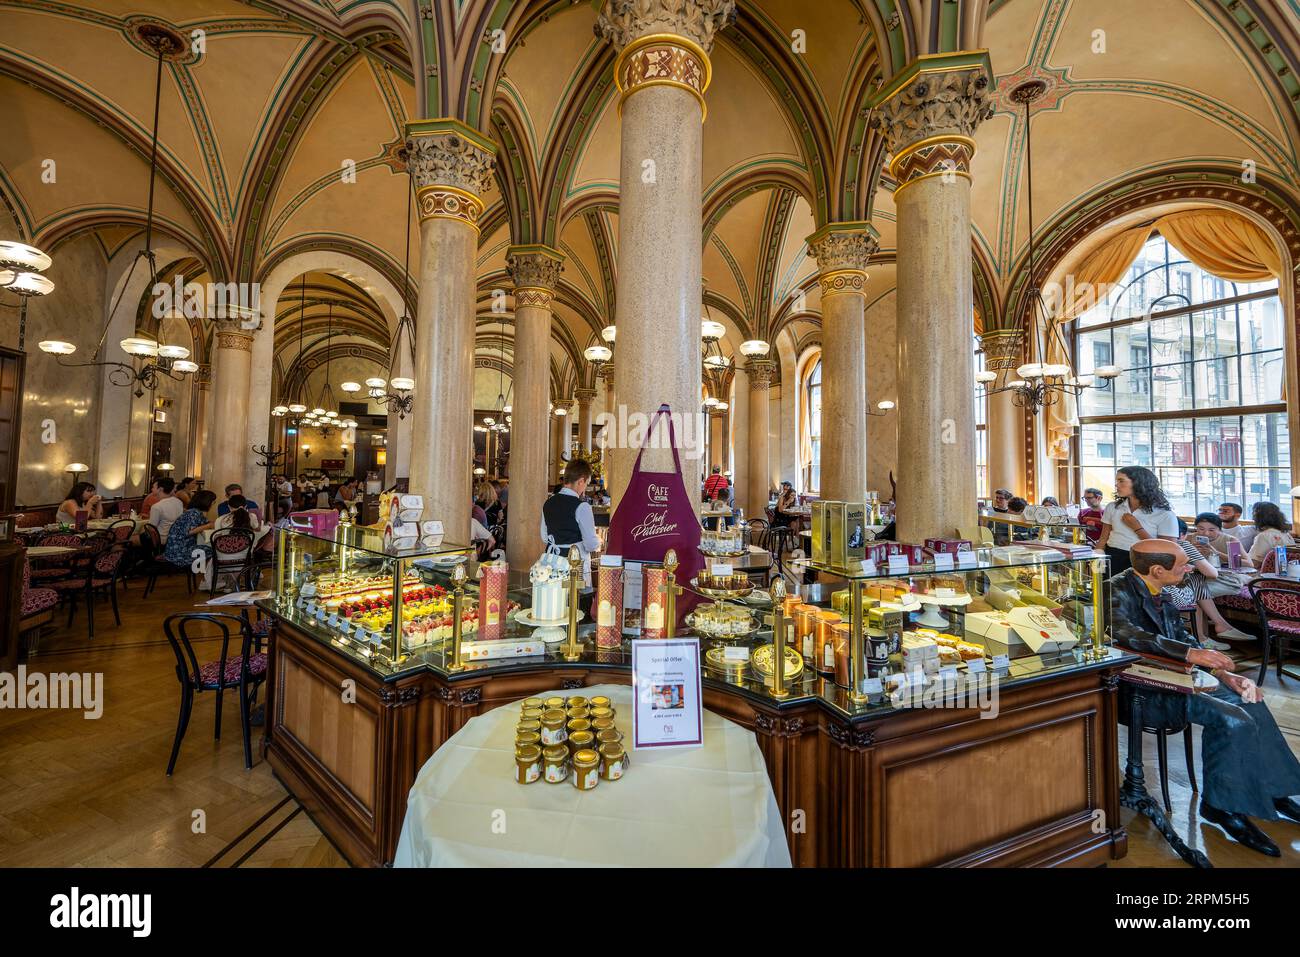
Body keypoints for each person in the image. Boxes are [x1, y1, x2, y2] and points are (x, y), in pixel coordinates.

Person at [1107, 538, 1300, 857]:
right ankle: (1221, 806)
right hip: (1143, 688)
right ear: (1157, 570)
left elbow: (1180, 635)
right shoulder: (1115, 590)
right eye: (1184, 564)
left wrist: (1226, 674)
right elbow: (1128, 634)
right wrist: (1193, 653)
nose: (1190, 568)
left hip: (1177, 677)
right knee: (1232, 720)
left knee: (1250, 698)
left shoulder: (1160, 590)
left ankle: (1273, 788)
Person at [1168, 515, 1254, 649]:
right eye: (1201, 529)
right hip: (1198, 578)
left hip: (1226, 580)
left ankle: (1203, 637)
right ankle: (1209, 634)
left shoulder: (1229, 540)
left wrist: (1215, 553)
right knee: (1194, 588)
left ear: (1220, 529)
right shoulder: (1189, 539)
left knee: (1194, 592)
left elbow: (1248, 564)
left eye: (1211, 530)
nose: (1205, 533)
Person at [1096, 465, 1178, 574]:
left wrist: (1136, 527)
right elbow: (1103, 538)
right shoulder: (1112, 507)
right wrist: (1098, 557)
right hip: (1113, 556)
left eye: (1121, 481)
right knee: (1108, 590)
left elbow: (1167, 550)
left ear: (1138, 483)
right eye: (1117, 481)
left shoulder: (1165, 514)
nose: (1116, 484)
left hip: (1144, 560)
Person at [540, 459, 600, 591]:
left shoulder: (548, 503)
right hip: (575, 564)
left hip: (553, 561)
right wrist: (598, 542)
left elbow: (545, 537)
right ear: (581, 481)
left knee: (555, 601)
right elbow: (590, 544)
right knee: (577, 604)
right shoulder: (582, 507)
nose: (586, 488)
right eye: (587, 483)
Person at [164, 489, 216, 569]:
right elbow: (188, 532)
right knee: (214, 551)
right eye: (213, 501)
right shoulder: (193, 513)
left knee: (208, 549)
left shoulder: (194, 512)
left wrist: (211, 523)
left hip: (177, 549)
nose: (213, 504)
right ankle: (202, 573)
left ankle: (200, 572)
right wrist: (208, 526)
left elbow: (206, 522)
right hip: (178, 552)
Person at [1247, 501, 1294, 567]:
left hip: (1268, 573)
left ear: (1258, 517)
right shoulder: (1286, 535)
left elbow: (1255, 563)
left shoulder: (1263, 536)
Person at [146, 477, 184, 542]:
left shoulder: (157, 507)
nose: (152, 489)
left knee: (132, 539)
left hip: (161, 540)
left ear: (160, 489)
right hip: (176, 538)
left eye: (153, 487)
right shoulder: (179, 502)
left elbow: (151, 529)